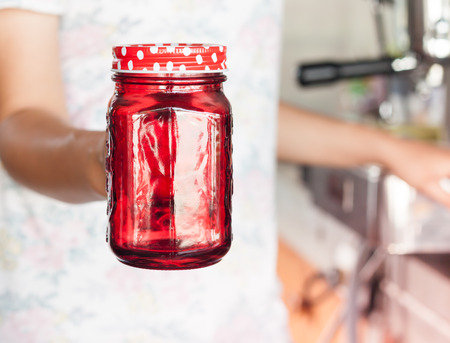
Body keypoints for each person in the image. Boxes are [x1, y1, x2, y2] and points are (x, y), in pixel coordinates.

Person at [1, 1, 450, 342]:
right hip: (78, 314)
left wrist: (391, 150)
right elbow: (16, 121)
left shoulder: (216, 103)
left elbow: (236, 116)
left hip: (238, 312)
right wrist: (114, 160)